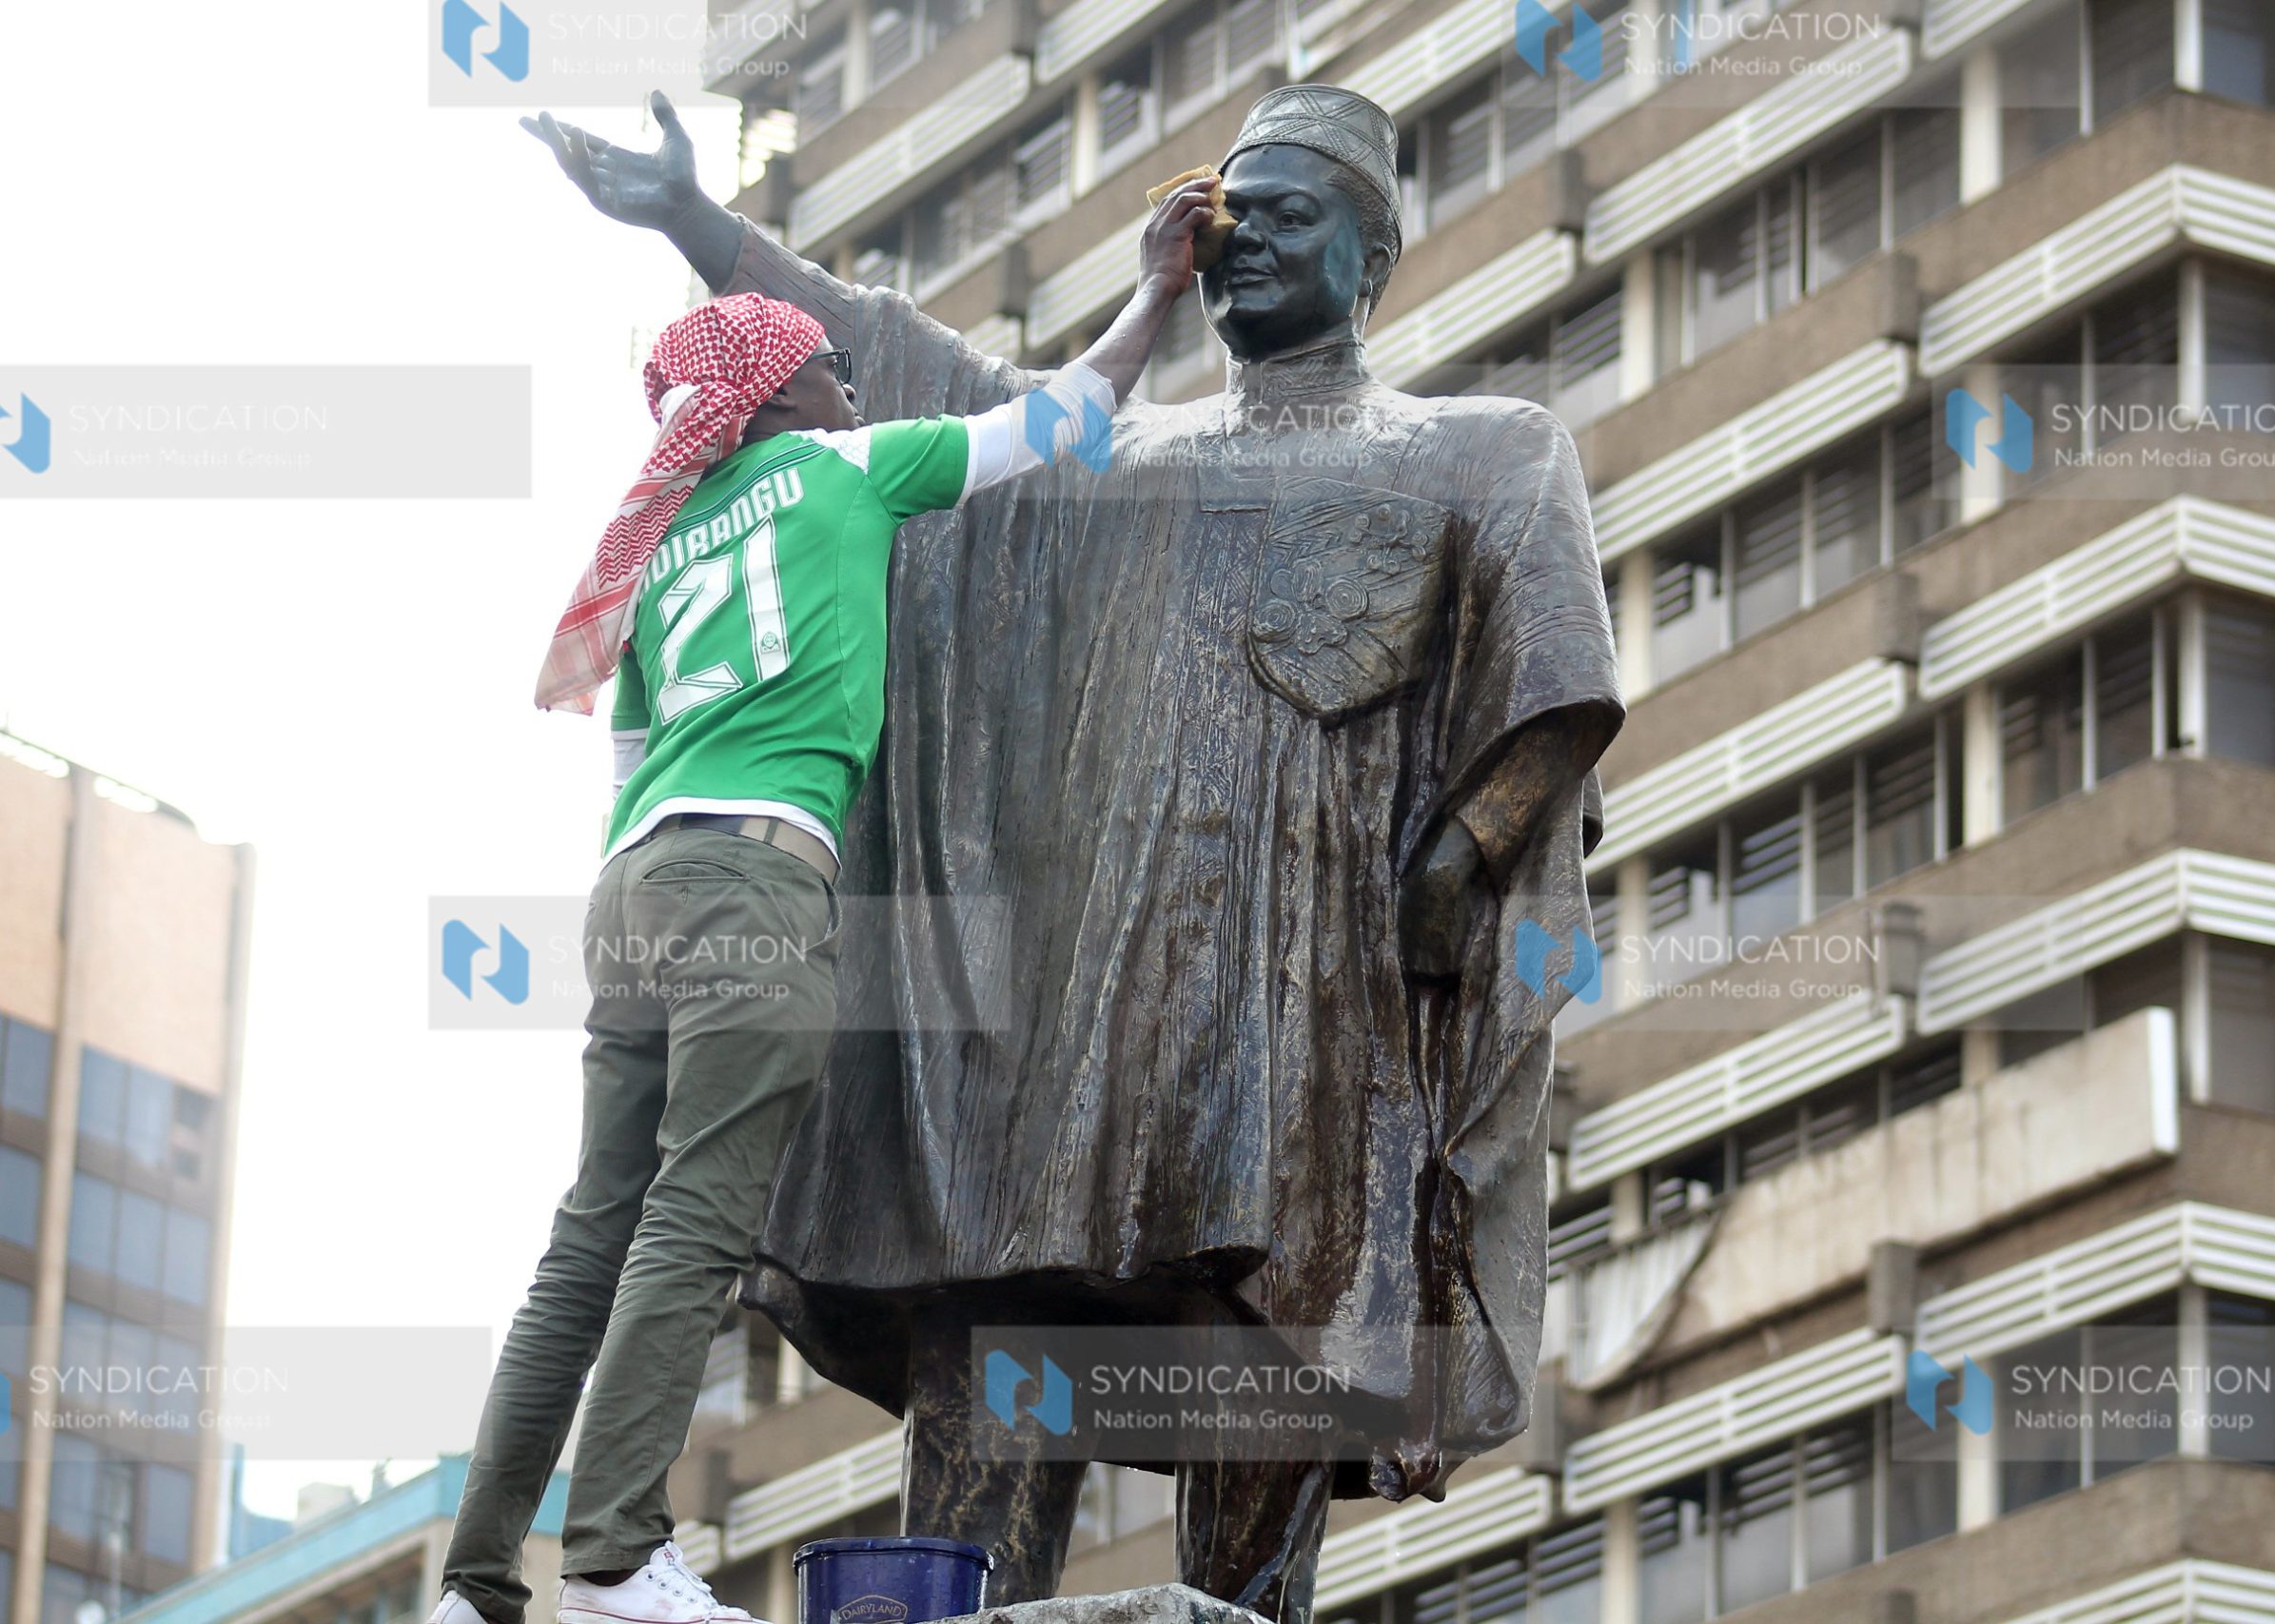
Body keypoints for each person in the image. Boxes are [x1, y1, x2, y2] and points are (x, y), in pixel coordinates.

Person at [529, 86, 1622, 1624]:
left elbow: (1552, 692)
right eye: (1225, 222)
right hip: (1055, 1050)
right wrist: (697, 225)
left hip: (1294, 1030)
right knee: (991, 1348)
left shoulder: (1479, 451)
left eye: (1287, 220)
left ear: (1372, 254)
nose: (1244, 249)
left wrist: (1457, 862)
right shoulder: (1108, 452)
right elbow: (893, 364)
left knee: (1270, 1362)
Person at [422, 166, 1217, 1624]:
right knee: (695, 1222)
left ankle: (479, 1576)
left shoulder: (658, 542)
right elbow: (1067, 414)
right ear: (780, 398)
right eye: (832, 373)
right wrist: (1161, 285)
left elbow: (628, 756)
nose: (855, 389)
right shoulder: (844, 474)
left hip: (634, 889)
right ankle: (610, 1553)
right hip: (756, 884)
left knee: (588, 1231)